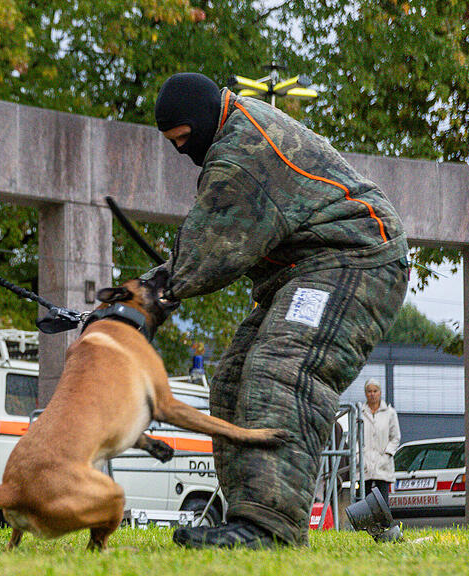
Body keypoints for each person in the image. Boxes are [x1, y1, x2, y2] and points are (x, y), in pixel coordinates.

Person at [148, 72, 409, 548]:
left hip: (355, 258)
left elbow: (210, 251)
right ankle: (245, 518)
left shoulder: (240, 155)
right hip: (301, 270)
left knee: (283, 369)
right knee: (230, 380)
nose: (182, 152)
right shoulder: (232, 133)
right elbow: (204, 251)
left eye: (184, 140)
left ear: (203, 121)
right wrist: (160, 283)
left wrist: (146, 299)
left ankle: (270, 528)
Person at [360, 378, 401, 497]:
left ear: (380, 392)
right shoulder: (359, 414)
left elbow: (395, 438)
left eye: (375, 391)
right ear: (365, 393)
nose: (372, 394)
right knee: (363, 506)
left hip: (383, 467)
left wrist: (386, 456)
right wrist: (359, 457)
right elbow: (355, 438)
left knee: (382, 505)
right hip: (364, 467)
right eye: (369, 391)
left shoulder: (390, 413)